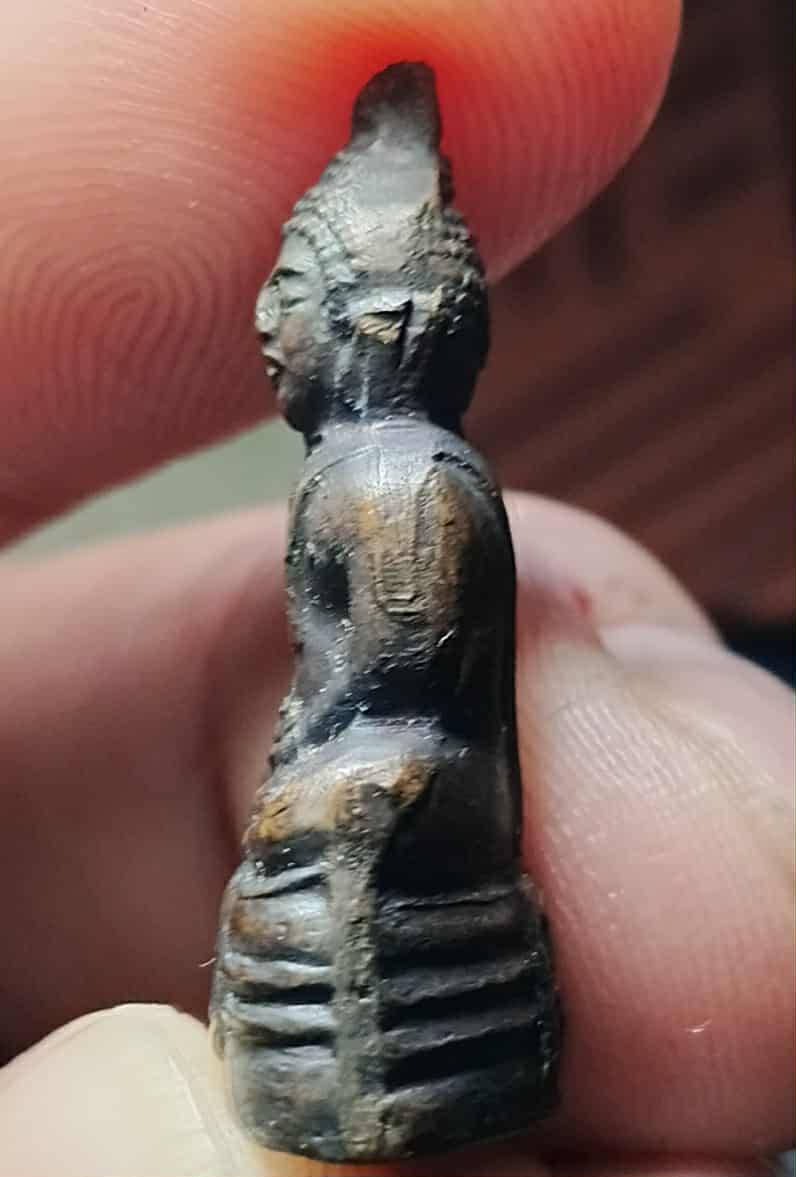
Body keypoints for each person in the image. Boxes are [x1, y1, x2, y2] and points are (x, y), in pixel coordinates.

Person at [0, 1, 792, 1174]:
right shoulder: (379, 471)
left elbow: (408, 712)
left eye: (290, 292)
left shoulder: (392, 481)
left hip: (390, 840)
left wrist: (322, 800)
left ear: (378, 319)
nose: (268, 321)